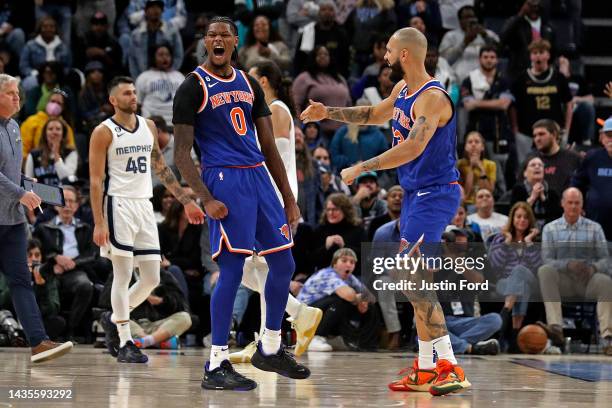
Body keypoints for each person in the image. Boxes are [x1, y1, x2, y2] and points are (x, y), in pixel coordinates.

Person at [301, 27, 470, 395]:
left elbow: (412, 147)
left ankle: (449, 366)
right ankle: (426, 368)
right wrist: (326, 112)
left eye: (390, 51)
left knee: (414, 279)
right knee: (411, 282)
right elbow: (375, 114)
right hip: (414, 195)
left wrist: (362, 166)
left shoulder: (433, 98)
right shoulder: (402, 91)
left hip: (435, 193)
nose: (386, 57)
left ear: (406, 54)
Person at [171, 17, 310, 390]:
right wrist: (206, 198)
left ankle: (270, 346)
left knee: (284, 262)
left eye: (224, 35)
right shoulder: (192, 86)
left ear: (235, 41)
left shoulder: (249, 83)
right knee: (232, 271)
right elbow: (182, 154)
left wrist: (289, 198)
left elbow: (270, 146)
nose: (218, 40)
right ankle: (215, 364)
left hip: (259, 176)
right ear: (205, 42)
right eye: (211, 35)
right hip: (224, 178)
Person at [89, 76, 204, 364]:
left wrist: (187, 201)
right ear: (113, 100)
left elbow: (162, 169)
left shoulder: (148, 126)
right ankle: (126, 340)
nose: (133, 97)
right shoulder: (103, 132)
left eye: (134, 92)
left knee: (152, 277)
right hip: (118, 205)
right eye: (126, 93)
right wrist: (98, 221)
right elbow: (94, 181)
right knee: (124, 273)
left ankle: (115, 318)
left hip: (144, 207)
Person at [227, 60, 323, 363]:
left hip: (269, 197)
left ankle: (285, 325)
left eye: (251, 78)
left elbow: (274, 157)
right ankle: (270, 338)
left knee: (246, 268)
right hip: (264, 196)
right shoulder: (266, 110)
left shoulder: (277, 109)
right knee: (256, 269)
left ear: (264, 81)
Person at [0, 73, 73, 362]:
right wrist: (20, 192)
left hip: (14, 220)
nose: (18, 98)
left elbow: (8, 174)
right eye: (10, 93)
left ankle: (38, 342)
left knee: (22, 280)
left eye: (18, 93)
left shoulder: (15, 127)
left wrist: (27, 184)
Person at [538, 188, 612, 355]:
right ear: (562, 204)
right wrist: (567, 265)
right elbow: (547, 259)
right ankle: (556, 328)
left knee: (606, 282)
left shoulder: (595, 228)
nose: (573, 206)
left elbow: (605, 260)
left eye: (577, 203)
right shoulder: (550, 229)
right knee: (545, 271)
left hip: (588, 281)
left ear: (582, 205)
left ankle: (607, 337)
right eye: (570, 203)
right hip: (563, 281)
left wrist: (593, 268)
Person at [33, 186, 97, 341]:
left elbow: (92, 254)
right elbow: (35, 249)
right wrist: (55, 258)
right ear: (56, 204)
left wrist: (73, 262)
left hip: (75, 270)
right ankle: (44, 331)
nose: (67, 205)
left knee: (86, 286)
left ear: (77, 205)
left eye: (71, 201)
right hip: (51, 270)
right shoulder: (43, 228)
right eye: (63, 201)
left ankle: (70, 331)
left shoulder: (86, 228)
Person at [297, 248, 379, 352]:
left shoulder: (350, 277)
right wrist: (358, 299)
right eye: (344, 261)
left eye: (352, 262)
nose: (348, 265)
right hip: (303, 315)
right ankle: (316, 338)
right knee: (339, 301)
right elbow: (348, 295)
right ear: (334, 264)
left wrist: (364, 301)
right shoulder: (327, 274)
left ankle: (365, 343)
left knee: (370, 306)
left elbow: (372, 297)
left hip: (320, 312)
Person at [488, 202, 541, 351]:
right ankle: (514, 337)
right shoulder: (500, 238)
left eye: (525, 217)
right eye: (518, 216)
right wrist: (506, 243)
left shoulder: (535, 239)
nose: (522, 220)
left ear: (530, 220)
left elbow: (538, 267)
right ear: (512, 219)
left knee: (519, 271)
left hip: (531, 280)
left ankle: (504, 317)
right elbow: (494, 265)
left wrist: (529, 243)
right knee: (520, 286)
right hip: (504, 281)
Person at [511, 39, 572, 161]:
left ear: (548, 55)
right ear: (530, 56)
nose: (538, 56)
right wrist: (515, 128)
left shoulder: (558, 77)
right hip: (526, 132)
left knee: (556, 167)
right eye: (534, 53)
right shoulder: (521, 79)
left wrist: (566, 129)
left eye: (541, 52)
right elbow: (513, 106)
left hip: (554, 132)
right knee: (527, 168)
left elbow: (569, 104)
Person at [572, 118, 612, 239]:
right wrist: (578, 206)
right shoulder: (592, 158)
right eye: (609, 135)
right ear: (602, 137)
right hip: (596, 222)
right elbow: (577, 183)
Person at [438, 5, 499, 82]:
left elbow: (499, 51)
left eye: (472, 17)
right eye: (466, 17)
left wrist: (485, 36)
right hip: (459, 77)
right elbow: (444, 60)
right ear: (460, 21)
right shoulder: (450, 36)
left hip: (484, 76)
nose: (470, 20)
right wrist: (464, 43)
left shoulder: (487, 33)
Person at [526, 118, 581, 198]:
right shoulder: (531, 159)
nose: (537, 139)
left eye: (541, 134)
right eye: (535, 136)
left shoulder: (574, 158)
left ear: (554, 134)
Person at [135, 43, 185, 124]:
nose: (164, 57)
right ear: (153, 57)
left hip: (176, 122)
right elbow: (138, 104)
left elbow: (185, 102)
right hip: (152, 122)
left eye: (167, 55)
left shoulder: (179, 77)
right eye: (160, 55)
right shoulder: (144, 77)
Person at [24, 118, 78, 186]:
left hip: (64, 194)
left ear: (63, 134)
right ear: (45, 134)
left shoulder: (70, 153)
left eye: (58, 129)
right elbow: (28, 182)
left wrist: (56, 153)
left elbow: (66, 179)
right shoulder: (33, 155)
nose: (54, 132)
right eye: (50, 129)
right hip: (41, 195)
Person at [511, 156, 561, 228]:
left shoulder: (551, 192)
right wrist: (533, 198)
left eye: (540, 165)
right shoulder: (518, 190)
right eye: (533, 165)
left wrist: (544, 199)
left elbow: (556, 216)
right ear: (525, 173)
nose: (537, 167)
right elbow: (515, 215)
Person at [456, 131, 496, 207]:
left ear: (483, 147)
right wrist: (471, 167)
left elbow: (489, 191)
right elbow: (466, 194)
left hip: (484, 203)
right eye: (470, 142)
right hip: (466, 204)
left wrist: (481, 168)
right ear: (465, 147)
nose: (473, 144)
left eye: (477, 142)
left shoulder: (491, 165)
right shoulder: (460, 165)